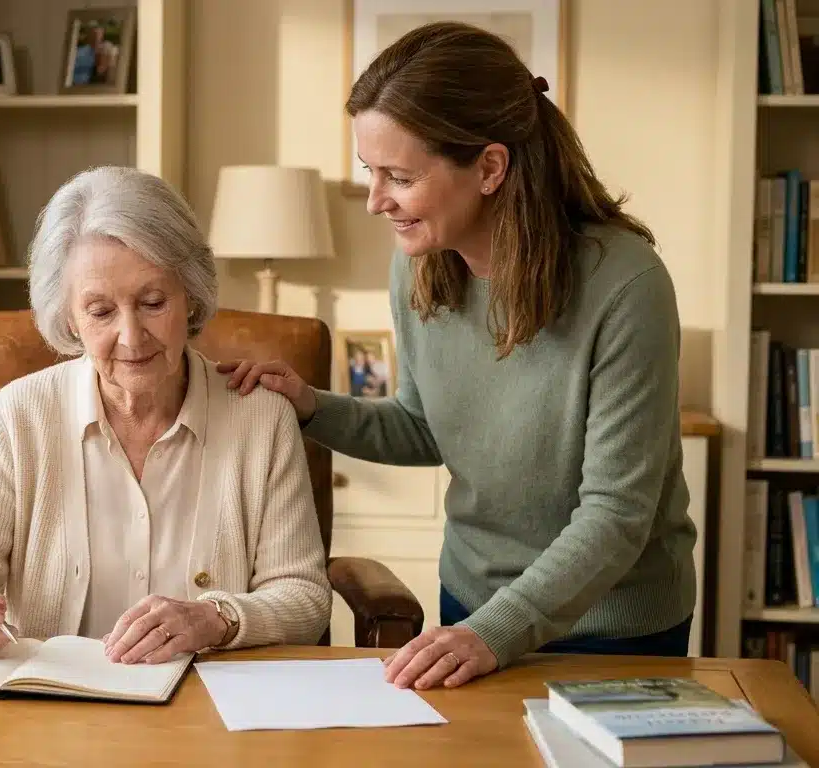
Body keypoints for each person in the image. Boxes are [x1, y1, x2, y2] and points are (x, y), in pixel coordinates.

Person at [219, 21, 696, 690]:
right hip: (471, 608)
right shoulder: (417, 266)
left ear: (491, 167)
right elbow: (424, 427)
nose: (376, 199)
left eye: (399, 176)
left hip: (613, 625)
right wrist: (309, 406)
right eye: (370, 172)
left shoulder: (626, 285)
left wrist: (492, 633)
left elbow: (617, 515)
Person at [0, 165, 331, 662]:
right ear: (69, 318)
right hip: (53, 711)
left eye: (152, 303)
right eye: (101, 312)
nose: (131, 337)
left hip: (208, 713)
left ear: (189, 296)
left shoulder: (261, 419)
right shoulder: (19, 415)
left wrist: (215, 619)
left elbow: (305, 596)